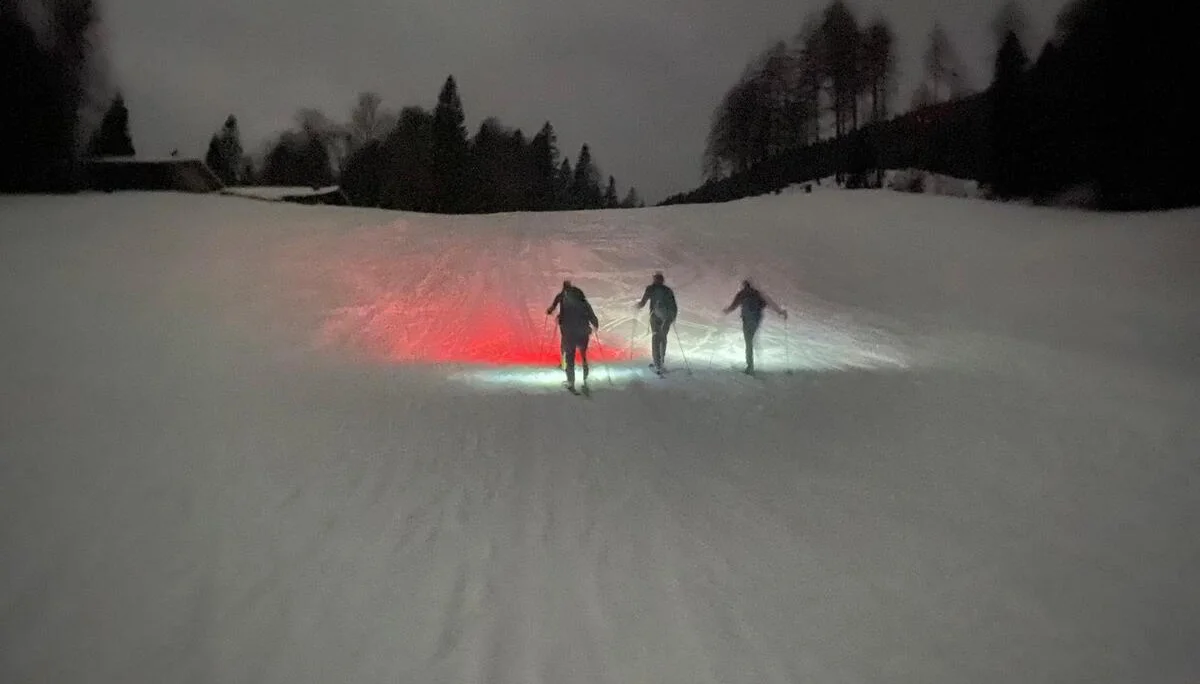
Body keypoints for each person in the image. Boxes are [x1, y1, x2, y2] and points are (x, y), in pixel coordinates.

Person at [722, 279, 787, 374]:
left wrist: (726, 311)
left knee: (748, 342)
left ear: (744, 286)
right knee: (751, 340)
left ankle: (750, 367)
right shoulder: (757, 293)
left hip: (747, 320)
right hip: (756, 319)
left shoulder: (742, 294)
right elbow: (769, 303)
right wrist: (780, 312)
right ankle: (753, 363)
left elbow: (733, 306)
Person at [546, 279, 599, 391]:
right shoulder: (585, 303)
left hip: (569, 333)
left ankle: (571, 382)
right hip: (583, 332)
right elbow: (593, 317)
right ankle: (585, 380)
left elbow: (556, 309)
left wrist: (554, 314)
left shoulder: (563, 298)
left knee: (570, 356)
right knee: (584, 355)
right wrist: (595, 325)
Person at [635, 272, 678, 374]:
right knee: (663, 338)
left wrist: (637, 307)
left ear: (654, 279)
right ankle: (661, 362)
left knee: (656, 338)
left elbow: (643, 302)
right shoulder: (668, 290)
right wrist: (672, 318)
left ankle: (657, 364)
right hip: (667, 318)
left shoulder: (651, 288)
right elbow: (673, 305)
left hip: (655, 317)